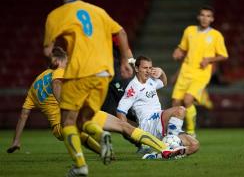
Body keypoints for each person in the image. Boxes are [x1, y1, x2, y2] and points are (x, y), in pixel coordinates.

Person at [43, 0, 182, 175]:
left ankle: (83, 162)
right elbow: (122, 32)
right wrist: (127, 60)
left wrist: (51, 62)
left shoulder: (55, 15)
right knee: (100, 121)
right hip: (104, 73)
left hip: (79, 73)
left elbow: (48, 50)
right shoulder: (97, 11)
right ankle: (164, 148)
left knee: (68, 122)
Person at [6, 48, 184, 161]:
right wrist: (66, 107)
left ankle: (102, 146)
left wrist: (16, 141)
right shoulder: (58, 71)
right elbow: (57, 84)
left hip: (60, 127)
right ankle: (163, 148)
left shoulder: (33, 86)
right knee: (123, 126)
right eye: (66, 62)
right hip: (75, 114)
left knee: (83, 136)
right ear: (59, 62)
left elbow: (23, 115)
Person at [116, 56, 199, 158]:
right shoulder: (133, 88)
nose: (148, 71)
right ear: (137, 69)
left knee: (194, 145)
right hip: (149, 124)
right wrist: (130, 131)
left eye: (150, 68)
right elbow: (120, 111)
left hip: (159, 120)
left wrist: (162, 72)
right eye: (145, 68)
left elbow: (164, 82)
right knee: (180, 110)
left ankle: (157, 155)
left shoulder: (150, 81)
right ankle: (171, 145)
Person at [172, 6, 228, 137]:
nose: (205, 18)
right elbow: (182, 48)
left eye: (208, 16)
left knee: (187, 100)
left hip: (201, 74)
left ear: (212, 19)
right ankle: (175, 133)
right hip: (185, 72)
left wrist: (209, 59)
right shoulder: (189, 30)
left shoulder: (216, 35)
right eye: (203, 15)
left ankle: (191, 132)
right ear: (198, 17)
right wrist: (177, 52)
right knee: (175, 103)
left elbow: (224, 55)